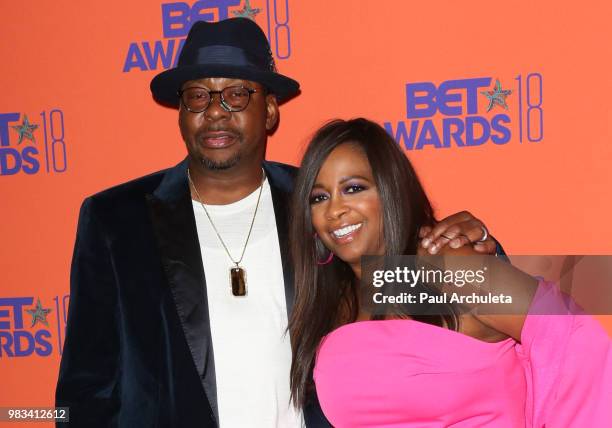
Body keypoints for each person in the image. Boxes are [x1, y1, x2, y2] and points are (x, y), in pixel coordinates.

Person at [55, 19, 500, 427]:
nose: (215, 111)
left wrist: (483, 247)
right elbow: (86, 387)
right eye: (197, 95)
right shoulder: (117, 220)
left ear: (269, 111)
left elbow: (416, 282)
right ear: (181, 112)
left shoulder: (319, 204)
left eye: (236, 94)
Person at [289, 118, 612, 427]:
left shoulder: (448, 266)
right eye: (319, 197)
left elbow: (573, 340)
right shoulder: (334, 304)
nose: (335, 211)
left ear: (390, 190)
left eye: (354, 188)